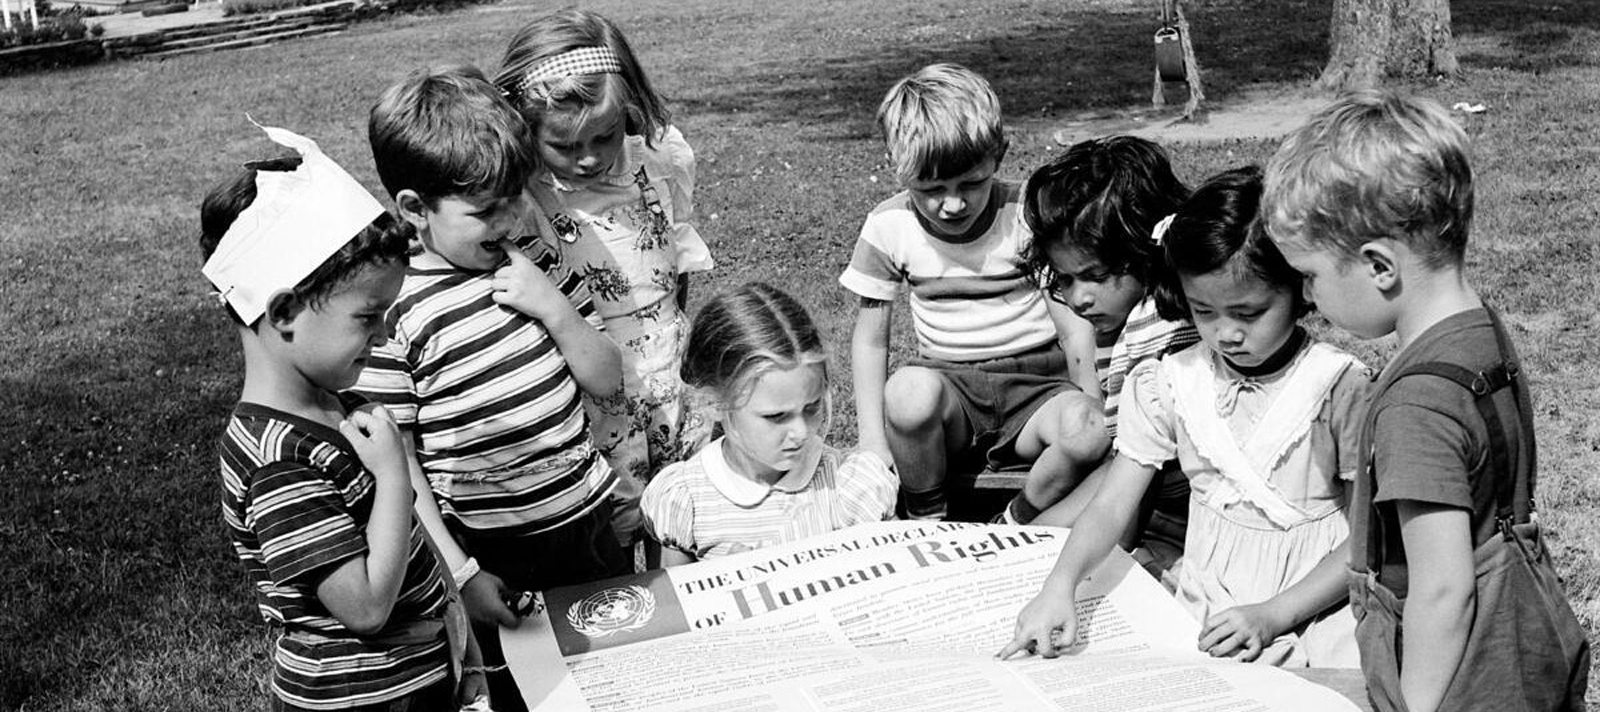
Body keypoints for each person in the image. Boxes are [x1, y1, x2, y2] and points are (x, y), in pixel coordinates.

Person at [1266, 90, 1589, 711]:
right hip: (1513, 644)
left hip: (1457, 683)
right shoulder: (1478, 331)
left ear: (1379, 266)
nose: (1306, 296)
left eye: (1310, 274)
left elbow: (1443, 589)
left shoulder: (1416, 407)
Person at [1001, 167, 1365, 669]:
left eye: (1249, 312)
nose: (1227, 333)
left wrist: (1274, 614)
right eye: (1204, 312)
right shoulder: (1171, 383)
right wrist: (1059, 585)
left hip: (1319, 608)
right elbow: (1111, 506)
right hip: (1206, 604)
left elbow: (1367, 535)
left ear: (1300, 289)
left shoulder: (1335, 388)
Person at [359, 64, 628, 712]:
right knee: (525, 698)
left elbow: (607, 378)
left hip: (587, 523)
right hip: (494, 553)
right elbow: (401, 465)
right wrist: (461, 572)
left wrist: (555, 309)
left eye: (515, 196)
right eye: (486, 209)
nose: (510, 218)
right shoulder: (392, 314)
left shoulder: (526, 264)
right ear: (414, 210)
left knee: (623, 681)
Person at [203, 125, 487, 710]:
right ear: (284, 312)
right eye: (368, 317)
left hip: (416, 679)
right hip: (361, 697)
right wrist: (392, 477)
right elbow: (363, 606)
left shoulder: (337, 404)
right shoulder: (277, 459)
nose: (383, 335)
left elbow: (406, 544)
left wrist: (460, 637)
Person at [840, 62, 1103, 525]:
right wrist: (871, 440)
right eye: (932, 188)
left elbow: (1070, 321)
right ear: (898, 167)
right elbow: (870, 339)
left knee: (1087, 428)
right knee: (906, 394)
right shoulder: (889, 225)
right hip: (952, 394)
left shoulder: (1026, 212)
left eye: (971, 183)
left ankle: (1019, 519)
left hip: (1037, 390)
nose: (954, 203)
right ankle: (926, 519)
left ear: (998, 155)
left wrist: (1090, 396)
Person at [493, 9, 716, 550]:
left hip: (671, 383)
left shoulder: (659, 164)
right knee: (608, 539)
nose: (589, 157)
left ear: (629, 108)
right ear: (524, 127)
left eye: (605, 135)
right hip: (588, 400)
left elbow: (672, 266)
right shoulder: (523, 199)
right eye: (565, 146)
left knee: (681, 521)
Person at [1017, 136, 1202, 571]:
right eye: (1064, 279)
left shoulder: (1156, 333)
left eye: (1094, 276)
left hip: (1179, 514)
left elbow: (1131, 488)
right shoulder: (1125, 315)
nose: (1079, 298)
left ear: (1144, 250)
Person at [641, 283, 897, 563]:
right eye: (776, 416)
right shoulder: (687, 500)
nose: (801, 432)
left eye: (811, 408)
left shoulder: (848, 487)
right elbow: (678, 601)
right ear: (713, 403)